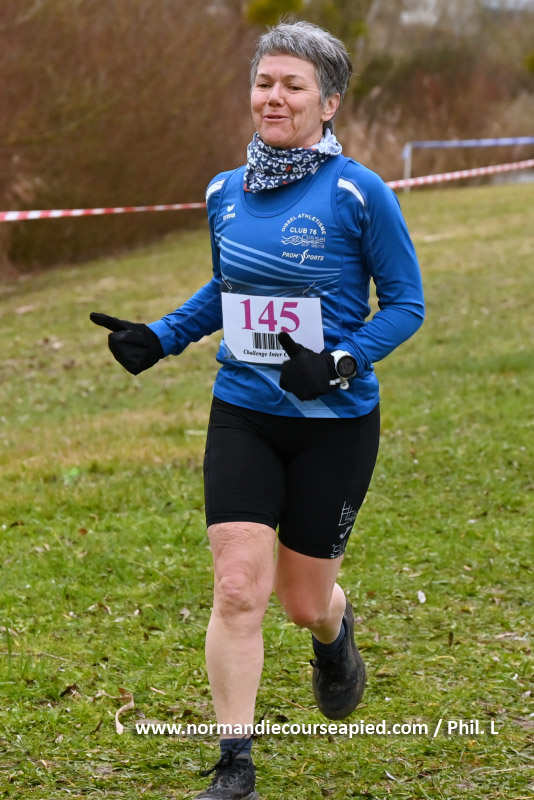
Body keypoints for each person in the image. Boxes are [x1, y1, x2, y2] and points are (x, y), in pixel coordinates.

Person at [90, 20, 424, 800]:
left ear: (328, 102)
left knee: (303, 602)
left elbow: (406, 304)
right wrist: (162, 336)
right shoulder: (224, 191)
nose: (274, 97)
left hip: (334, 424)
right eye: (264, 82)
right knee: (239, 585)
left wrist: (340, 361)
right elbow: (227, 288)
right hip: (242, 410)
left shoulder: (359, 192)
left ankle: (335, 635)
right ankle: (234, 763)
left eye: (293, 85)